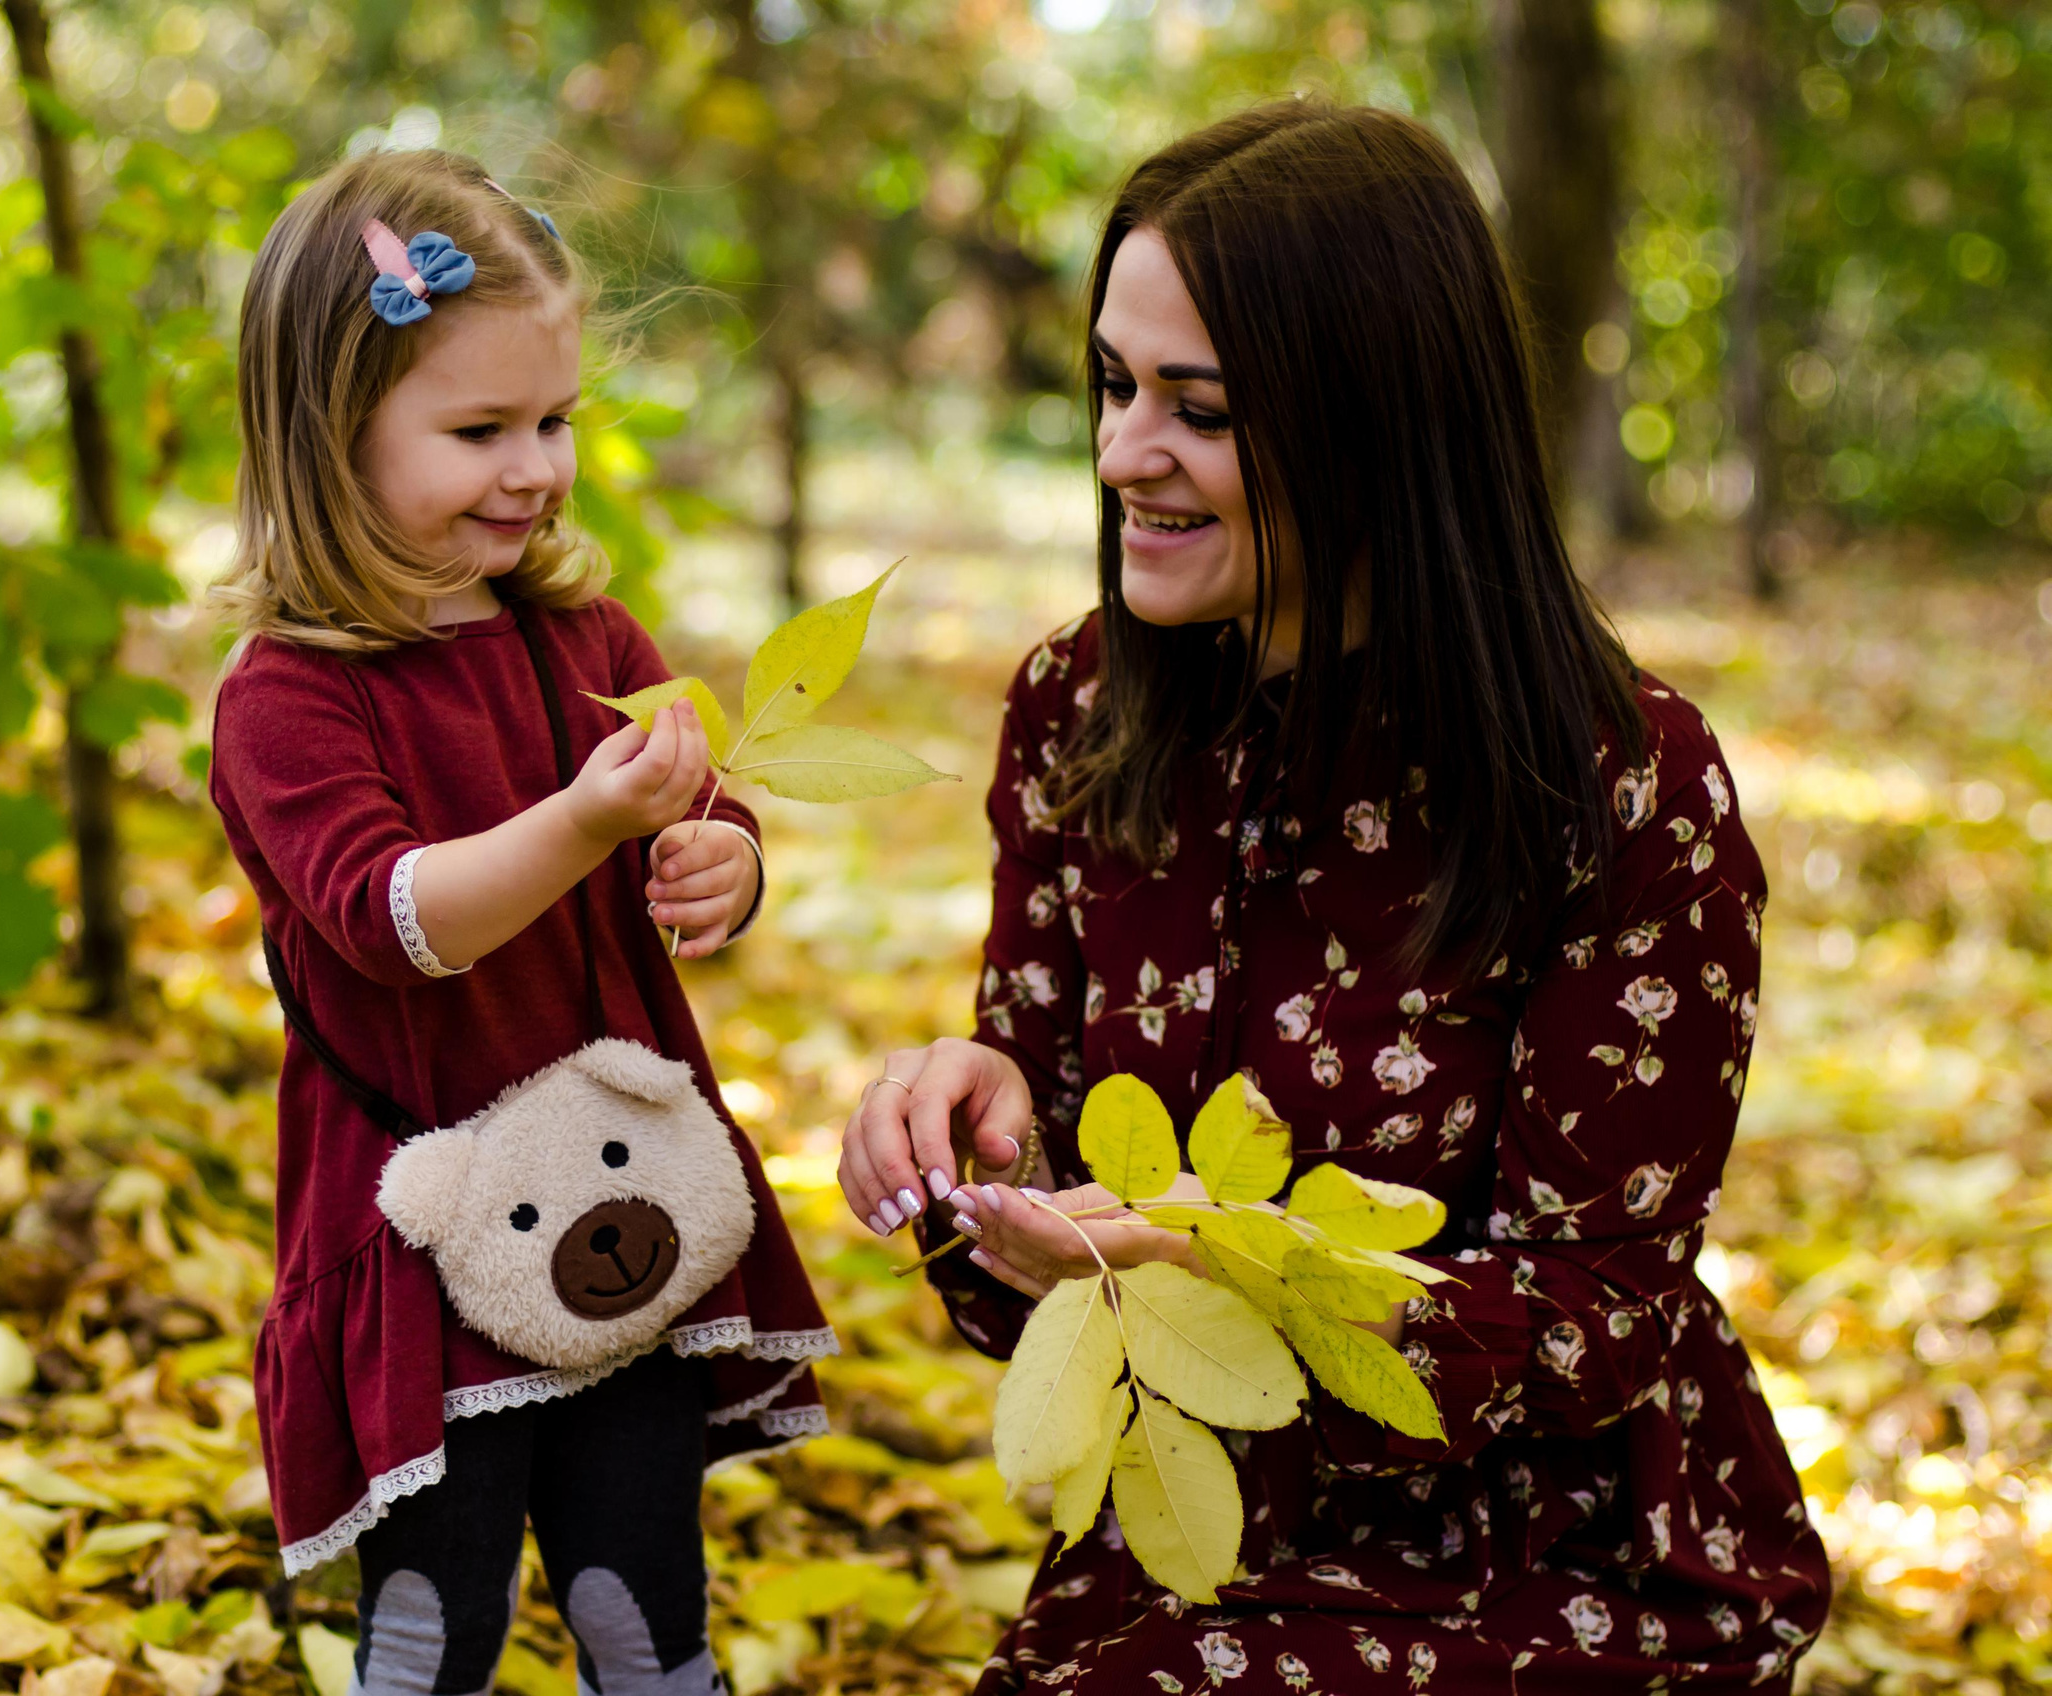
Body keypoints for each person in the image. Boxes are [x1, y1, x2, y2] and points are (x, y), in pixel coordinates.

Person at [841, 104, 1829, 1693]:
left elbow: (1597, 1313)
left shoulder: (1620, 784)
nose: (1119, 455)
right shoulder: (1080, 717)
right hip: (1197, 1519)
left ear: (1381, 420)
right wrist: (978, 1131)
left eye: (1200, 410)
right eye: (1111, 384)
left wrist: (1236, 1291)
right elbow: (1052, 1215)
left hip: (1549, 1554)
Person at [211, 150, 834, 1696]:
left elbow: (696, 798)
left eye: (552, 422)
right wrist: (582, 822)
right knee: (441, 1607)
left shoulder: (585, 637)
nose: (533, 468)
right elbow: (394, 919)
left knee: (642, 1584)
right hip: (425, 1223)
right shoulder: (289, 697)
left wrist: (721, 861)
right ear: (329, 434)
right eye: (478, 430)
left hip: (623, 1202)